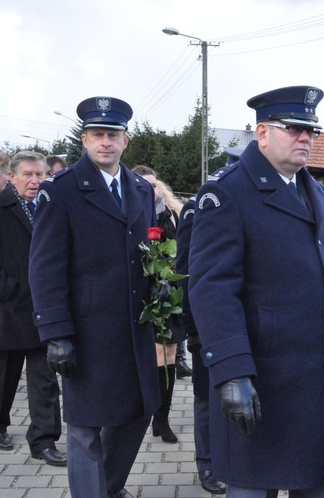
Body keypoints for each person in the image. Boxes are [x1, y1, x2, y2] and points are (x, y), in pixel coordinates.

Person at [188, 85, 324, 497]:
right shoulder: (227, 192)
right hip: (261, 377)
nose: (305, 137)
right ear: (262, 133)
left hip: (315, 377)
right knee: (254, 484)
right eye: (294, 129)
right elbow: (212, 289)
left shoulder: (313, 190)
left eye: (311, 131)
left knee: (318, 481)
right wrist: (231, 371)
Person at [28, 96, 159, 498]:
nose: (106, 142)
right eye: (98, 135)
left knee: (138, 412)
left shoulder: (139, 189)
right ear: (84, 140)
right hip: (86, 331)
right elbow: (45, 267)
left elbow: (151, 254)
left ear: (126, 141)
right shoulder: (61, 190)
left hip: (135, 329)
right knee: (85, 426)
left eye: (113, 135)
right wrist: (56, 333)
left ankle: (109, 486)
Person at [0, 151, 65, 466]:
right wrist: (10, 289)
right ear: (12, 177)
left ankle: (43, 440)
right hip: (8, 309)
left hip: (44, 308)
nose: (35, 181)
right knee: (4, 376)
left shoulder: (51, 206)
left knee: (45, 379)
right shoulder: (1, 207)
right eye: (27, 174)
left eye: (40, 174)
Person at [131, 166, 188, 443]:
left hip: (168, 292)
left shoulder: (172, 214)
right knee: (146, 357)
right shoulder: (128, 213)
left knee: (168, 355)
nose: (151, 190)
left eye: (154, 185)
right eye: (144, 185)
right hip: (139, 295)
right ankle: (143, 412)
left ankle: (161, 419)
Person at [176, 194, 226, 494]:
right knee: (207, 398)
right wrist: (192, 327)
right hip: (207, 323)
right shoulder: (201, 205)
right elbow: (185, 269)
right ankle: (207, 463)